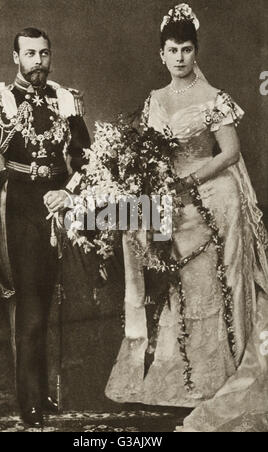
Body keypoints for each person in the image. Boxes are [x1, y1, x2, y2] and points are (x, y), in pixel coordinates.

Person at [105, 4, 268, 432]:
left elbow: (230, 153)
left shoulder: (215, 99)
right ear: (161, 54)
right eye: (172, 50)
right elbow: (142, 154)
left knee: (216, 282)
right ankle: (178, 376)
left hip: (215, 197)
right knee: (177, 286)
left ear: (196, 52)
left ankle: (220, 377)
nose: (180, 57)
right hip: (170, 205)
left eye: (187, 50)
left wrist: (189, 181)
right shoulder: (154, 101)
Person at [0, 27, 90, 427]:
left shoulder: (66, 99)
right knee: (28, 306)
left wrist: (70, 194)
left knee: (52, 299)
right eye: (30, 54)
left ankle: (44, 391)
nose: (38, 62)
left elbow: (86, 160)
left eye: (44, 54)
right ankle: (30, 402)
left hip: (57, 210)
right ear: (15, 57)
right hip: (17, 207)